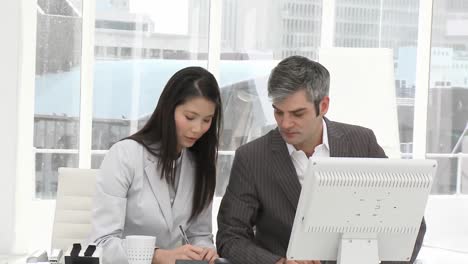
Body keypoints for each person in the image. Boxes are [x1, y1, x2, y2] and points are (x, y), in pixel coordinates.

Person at [216, 56, 426, 264]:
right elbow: (230, 237)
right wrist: (278, 263)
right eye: (278, 112)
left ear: (323, 105)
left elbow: (411, 221)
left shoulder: (362, 143)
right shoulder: (252, 158)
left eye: (298, 114)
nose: (285, 123)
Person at [90, 66, 222, 264]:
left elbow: (200, 234)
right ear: (169, 109)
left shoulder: (199, 165)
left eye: (207, 120)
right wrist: (158, 256)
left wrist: (205, 252)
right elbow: (100, 242)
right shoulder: (125, 155)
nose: (197, 128)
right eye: (189, 117)